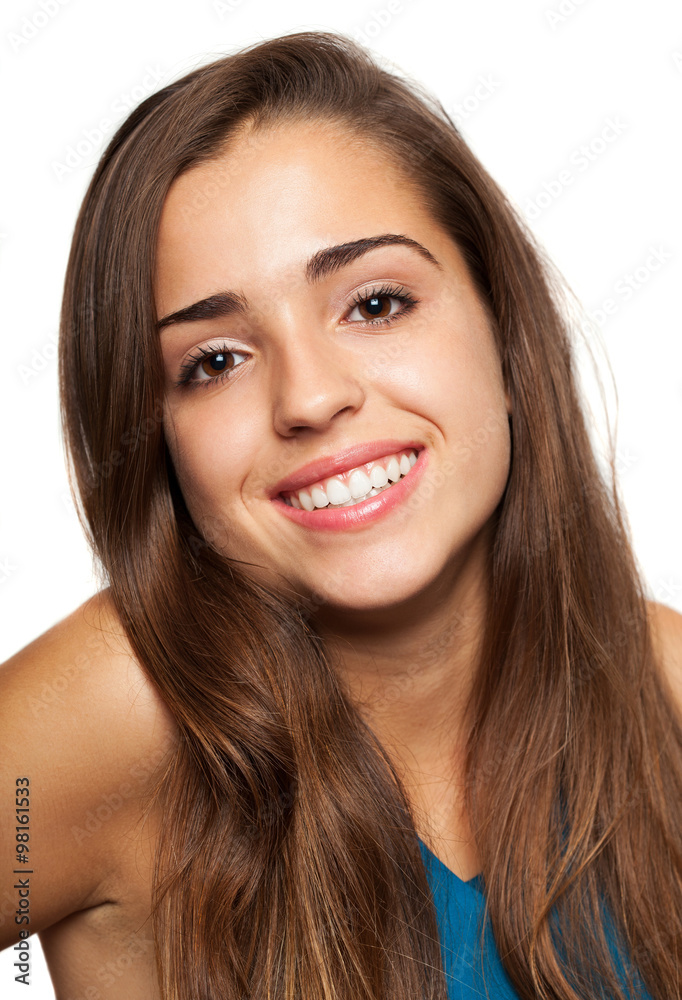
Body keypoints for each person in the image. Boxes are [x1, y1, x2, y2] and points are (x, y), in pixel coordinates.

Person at [1, 28, 681, 1000]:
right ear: (157, 439)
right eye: (215, 361)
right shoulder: (124, 710)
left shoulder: (662, 688)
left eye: (374, 304)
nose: (309, 397)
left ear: (504, 331)